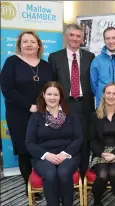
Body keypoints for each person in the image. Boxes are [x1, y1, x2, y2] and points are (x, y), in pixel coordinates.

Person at [0, 30, 52, 200]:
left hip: (43, 114)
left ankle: (43, 182)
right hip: (19, 114)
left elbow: (51, 89)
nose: (29, 44)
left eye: (32, 41)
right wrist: (28, 106)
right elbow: (7, 89)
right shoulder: (11, 62)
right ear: (19, 45)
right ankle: (29, 185)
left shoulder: (45, 65)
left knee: (43, 148)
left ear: (38, 45)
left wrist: (45, 106)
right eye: (25, 42)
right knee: (24, 150)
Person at [48, 23, 95, 179]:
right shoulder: (54, 57)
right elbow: (52, 83)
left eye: (78, 36)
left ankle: (82, 173)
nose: (75, 38)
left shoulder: (90, 57)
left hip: (85, 105)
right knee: (67, 138)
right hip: (64, 105)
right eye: (72, 35)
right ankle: (66, 173)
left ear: (83, 39)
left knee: (84, 139)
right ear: (66, 37)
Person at [26, 81, 83, 206]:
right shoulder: (36, 117)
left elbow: (78, 139)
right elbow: (29, 143)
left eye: (55, 94)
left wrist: (64, 154)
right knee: (50, 174)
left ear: (60, 97)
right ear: (44, 95)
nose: (52, 97)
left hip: (68, 155)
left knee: (63, 172)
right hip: (43, 156)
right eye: (49, 94)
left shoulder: (71, 115)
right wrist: (47, 155)